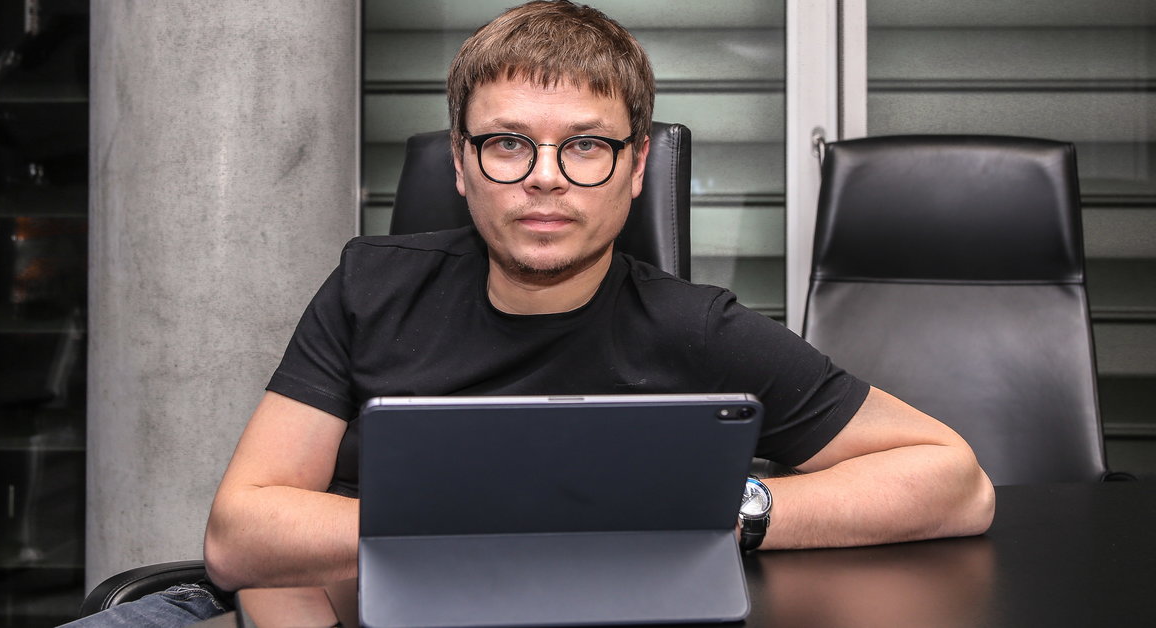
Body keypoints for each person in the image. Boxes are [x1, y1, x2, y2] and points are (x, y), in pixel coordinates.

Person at [66, 1, 994, 625]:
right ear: (460, 162)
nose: (545, 178)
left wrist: (723, 509)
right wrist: (542, 520)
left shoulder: (698, 328)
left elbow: (955, 482)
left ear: (636, 167)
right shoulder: (370, 286)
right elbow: (240, 537)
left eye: (586, 146)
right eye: (508, 143)